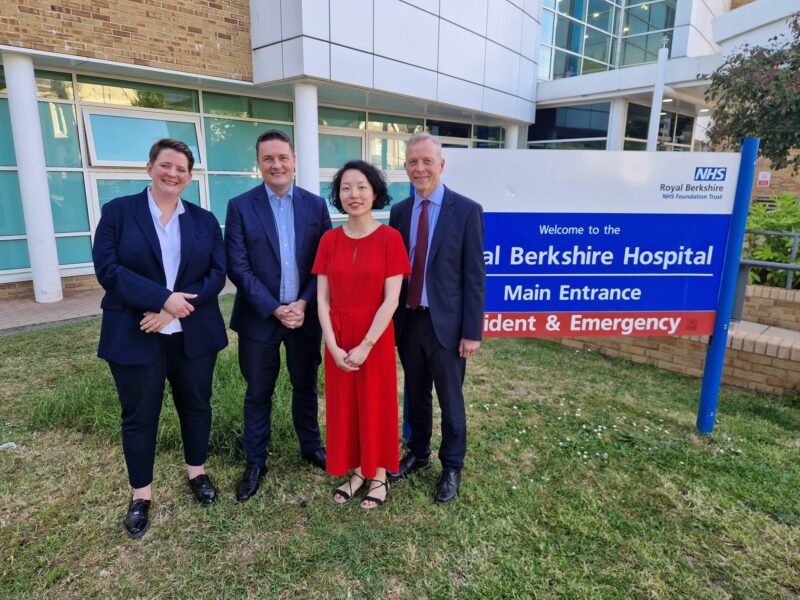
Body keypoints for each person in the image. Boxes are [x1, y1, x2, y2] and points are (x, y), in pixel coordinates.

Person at [92, 138, 228, 538]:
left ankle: (197, 472)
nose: (173, 174)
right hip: (135, 332)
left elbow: (216, 274)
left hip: (192, 333)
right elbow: (109, 269)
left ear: (189, 176)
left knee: (196, 406)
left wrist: (173, 307)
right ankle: (141, 495)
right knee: (139, 416)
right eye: (166, 165)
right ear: (149, 167)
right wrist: (161, 299)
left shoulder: (204, 220)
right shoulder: (118, 212)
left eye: (181, 169)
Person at [225, 129, 332, 502]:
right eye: (268, 158)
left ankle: (311, 446)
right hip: (259, 318)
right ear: (259, 163)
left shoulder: (316, 206)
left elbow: (324, 263)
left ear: (294, 161)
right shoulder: (240, 206)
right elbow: (237, 266)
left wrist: (302, 304)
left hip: (304, 317)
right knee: (258, 392)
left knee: (305, 386)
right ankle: (255, 461)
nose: (276, 165)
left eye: (283, 157)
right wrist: (273, 307)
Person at [388, 132, 486, 503]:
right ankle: (418, 452)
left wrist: (471, 331)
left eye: (427, 161)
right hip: (409, 320)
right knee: (415, 393)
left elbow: (475, 276)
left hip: (447, 325)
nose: (420, 168)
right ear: (406, 168)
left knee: (450, 399)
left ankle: (452, 466)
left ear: (441, 165)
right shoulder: (399, 212)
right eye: (413, 162)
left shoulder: (467, 210)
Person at [313, 160, 410, 509]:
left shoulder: (390, 238)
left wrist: (366, 345)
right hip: (337, 334)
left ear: (375, 192)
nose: (353, 194)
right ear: (338, 196)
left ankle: (379, 474)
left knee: (376, 404)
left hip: (376, 335)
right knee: (344, 407)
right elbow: (322, 300)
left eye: (361, 187)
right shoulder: (328, 240)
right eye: (346, 188)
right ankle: (355, 472)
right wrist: (333, 345)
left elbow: (392, 299)